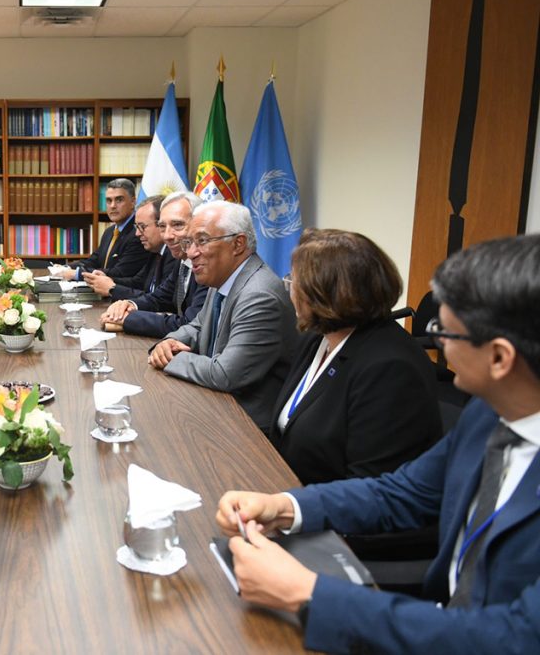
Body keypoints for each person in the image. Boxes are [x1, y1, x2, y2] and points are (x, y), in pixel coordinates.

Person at [216, 234, 540, 653]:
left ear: (500, 358)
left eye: (446, 333)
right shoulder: (488, 415)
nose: (436, 343)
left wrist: (308, 593)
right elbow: (400, 491)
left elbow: (517, 638)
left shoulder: (400, 369)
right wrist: (286, 506)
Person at [272, 228, 442, 483]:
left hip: (330, 514)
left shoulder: (389, 369)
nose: (289, 290)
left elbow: (371, 487)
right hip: (285, 490)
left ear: (323, 293)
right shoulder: (319, 337)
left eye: (292, 281)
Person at [149, 200, 296, 432]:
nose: (190, 252)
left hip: (247, 427)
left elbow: (225, 374)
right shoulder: (222, 279)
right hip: (217, 404)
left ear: (238, 244)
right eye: (190, 242)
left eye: (202, 241)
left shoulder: (258, 295)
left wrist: (172, 358)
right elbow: (197, 326)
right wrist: (168, 343)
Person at [100, 190, 209, 337]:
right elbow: (160, 297)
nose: (167, 236)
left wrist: (128, 319)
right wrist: (129, 305)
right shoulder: (182, 260)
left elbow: (189, 324)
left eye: (177, 225)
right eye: (162, 226)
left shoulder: (207, 264)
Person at [81, 195, 176, 300]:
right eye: (136, 227)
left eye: (142, 227)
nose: (137, 233)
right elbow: (137, 282)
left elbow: (160, 300)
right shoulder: (155, 252)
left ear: (161, 225)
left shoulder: (174, 255)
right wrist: (106, 280)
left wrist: (113, 289)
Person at [60, 177, 149, 282]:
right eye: (108, 200)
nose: (113, 206)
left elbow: (120, 272)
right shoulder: (109, 231)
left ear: (133, 201)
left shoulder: (138, 233)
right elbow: (95, 260)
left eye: (119, 200)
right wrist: (66, 267)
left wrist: (78, 274)